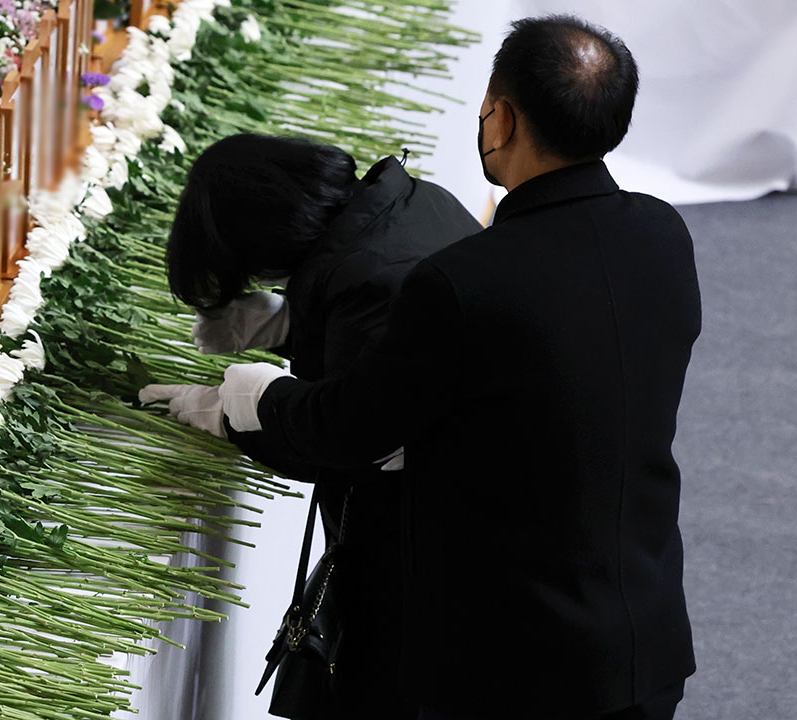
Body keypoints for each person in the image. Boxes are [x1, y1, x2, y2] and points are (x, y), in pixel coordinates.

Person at [215, 15, 701, 720]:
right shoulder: (664, 234)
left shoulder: (464, 280)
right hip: (643, 635)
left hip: (516, 666)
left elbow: (352, 429)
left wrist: (263, 397)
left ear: (500, 119)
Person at [140, 133, 480, 718]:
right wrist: (293, 329)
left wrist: (243, 414)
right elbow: (390, 362)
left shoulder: (372, 277)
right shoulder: (410, 204)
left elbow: (348, 442)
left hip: (432, 548)